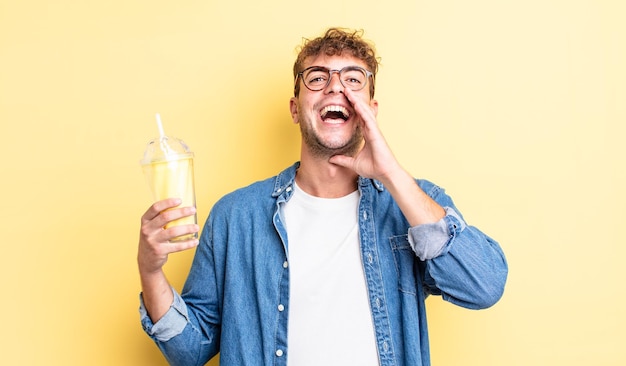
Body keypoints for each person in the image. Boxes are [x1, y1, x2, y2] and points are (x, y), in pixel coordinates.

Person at [138, 27, 508, 366]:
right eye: (317, 78)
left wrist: (392, 174)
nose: (336, 87)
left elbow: (484, 286)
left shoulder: (413, 202)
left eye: (353, 79)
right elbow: (189, 350)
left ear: (371, 112)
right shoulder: (236, 217)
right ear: (296, 109)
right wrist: (150, 270)